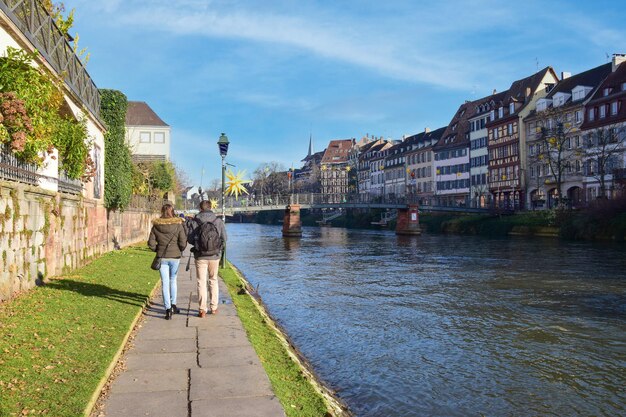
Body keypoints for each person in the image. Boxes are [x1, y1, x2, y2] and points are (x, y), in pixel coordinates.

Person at [188, 200, 227, 317]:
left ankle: (202, 310)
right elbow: (224, 238)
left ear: (200, 208)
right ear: (211, 207)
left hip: (200, 256)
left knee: (201, 282)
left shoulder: (195, 221)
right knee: (213, 280)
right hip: (214, 256)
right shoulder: (218, 221)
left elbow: (190, 239)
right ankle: (214, 308)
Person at [148, 203, 187, 320]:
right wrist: (179, 250)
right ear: (172, 211)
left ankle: (168, 309)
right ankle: (174, 305)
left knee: (165, 283)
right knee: (173, 280)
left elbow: (150, 244)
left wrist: (158, 250)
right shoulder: (178, 224)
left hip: (162, 257)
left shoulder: (156, 225)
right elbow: (183, 243)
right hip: (175, 257)